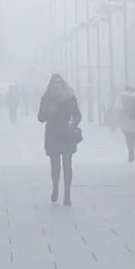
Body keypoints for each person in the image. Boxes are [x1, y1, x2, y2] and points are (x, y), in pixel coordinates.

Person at [38, 74, 82, 205]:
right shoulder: (46, 99)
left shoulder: (70, 98)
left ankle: (67, 194)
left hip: (67, 134)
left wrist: (73, 123)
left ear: (63, 84)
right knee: (55, 165)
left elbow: (77, 115)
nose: (56, 85)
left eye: (58, 82)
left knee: (67, 165)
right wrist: (48, 111)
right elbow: (40, 118)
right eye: (54, 83)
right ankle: (55, 188)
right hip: (53, 134)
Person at [119, 86, 135, 163]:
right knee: (133, 136)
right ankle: (132, 151)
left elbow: (120, 110)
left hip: (126, 120)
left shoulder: (123, 98)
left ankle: (130, 152)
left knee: (128, 137)